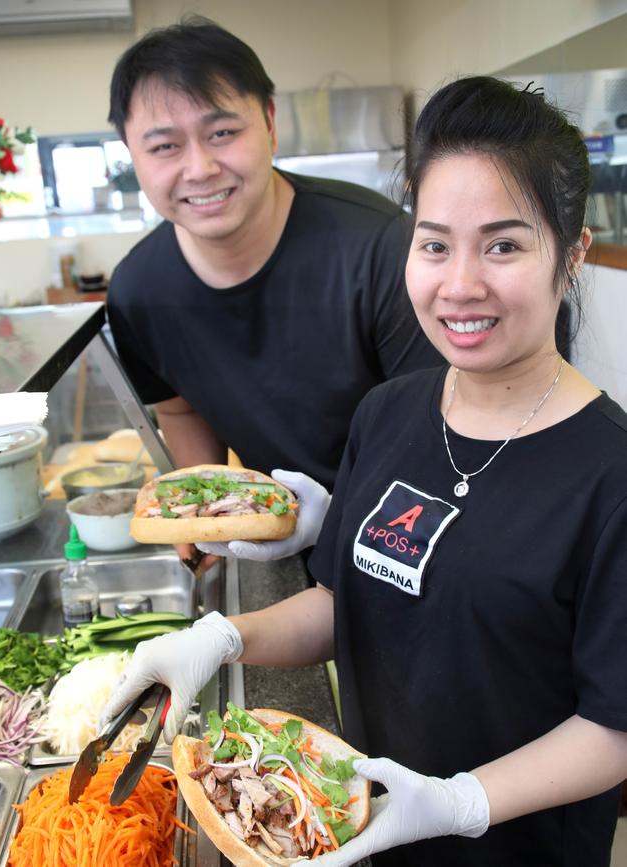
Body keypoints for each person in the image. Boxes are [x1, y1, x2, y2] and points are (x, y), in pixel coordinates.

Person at [101, 76, 627, 865]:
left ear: (574, 253)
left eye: (505, 244)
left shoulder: (608, 472)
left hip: (518, 846)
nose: (460, 284)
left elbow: (613, 724)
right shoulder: (389, 412)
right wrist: (220, 638)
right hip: (369, 825)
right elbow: (346, 601)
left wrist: (460, 802)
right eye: (435, 242)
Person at [105, 17, 442, 563]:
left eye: (222, 133)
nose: (200, 167)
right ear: (131, 154)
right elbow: (182, 410)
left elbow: (443, 427)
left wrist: (345, 526)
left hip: (408, 528)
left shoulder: (379, 247)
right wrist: (202, 515)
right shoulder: (137, 290)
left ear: (269, 122)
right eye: (165, 146)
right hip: (277, 531)